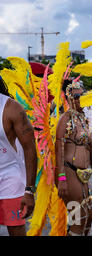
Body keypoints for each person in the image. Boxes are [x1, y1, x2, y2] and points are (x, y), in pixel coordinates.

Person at [55, 80, 92, 236]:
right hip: (69, 173)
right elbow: (58, 149)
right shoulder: (66, 119)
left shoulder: (82, 118)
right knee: (77, 220)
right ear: (69, 97)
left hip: (82, 174)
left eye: (82, 95)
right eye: (77, 96)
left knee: (89, 217)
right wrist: (61, 178)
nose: (81, 99)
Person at [0, 77, 37, 236]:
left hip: (11, 180)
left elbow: (30, 149)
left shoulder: (11, 108)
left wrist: (29, 190)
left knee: (16, 231)